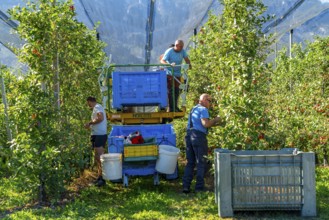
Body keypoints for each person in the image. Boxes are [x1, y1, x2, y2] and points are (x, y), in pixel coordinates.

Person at [182, 93, 221, 193]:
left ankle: (186, 187)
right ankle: (199, 188)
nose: (210, 103)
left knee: (190, 162)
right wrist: (216, 120)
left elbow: (200, 124)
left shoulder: (193, 109)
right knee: (201, 162)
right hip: (198, 137)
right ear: (203, 100)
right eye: (209, 100)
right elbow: (205, 124)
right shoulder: (203, 109)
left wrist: (213, 124)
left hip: (189, 136)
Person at [160, 40, 192, 112]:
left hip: (177, 73)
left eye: (182, 47)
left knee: (177, 90)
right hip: (169, 73)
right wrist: (169, 65)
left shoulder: (182, 51)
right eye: (180, 47)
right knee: (171, 90)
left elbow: (187, 59)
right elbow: (162, 61)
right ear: (176, 45)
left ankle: (175, 107)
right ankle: (171, 108)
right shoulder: (169, 51)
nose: (181, 48)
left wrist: (189, 64)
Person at [84, 96, 107, 187]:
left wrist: (90, 123)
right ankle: (99, 176)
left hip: (100, 135)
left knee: (99, 157)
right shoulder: (96, 108)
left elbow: (100, 118)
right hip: (96, 134)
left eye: (87, 103)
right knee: (97, 157)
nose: (88, 105)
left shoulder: (97, 107)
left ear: (89, 101)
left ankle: (102, 178)